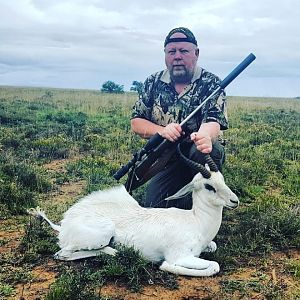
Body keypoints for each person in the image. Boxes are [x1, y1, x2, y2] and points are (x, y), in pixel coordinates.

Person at [131, 27, 228, 209]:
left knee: (208, 150)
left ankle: (208, 205)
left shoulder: (212, 82)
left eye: (184, 51)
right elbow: (136, 122)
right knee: (155, 207)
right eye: (172, 51)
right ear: (165, 55)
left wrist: (205, 136)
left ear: (196, 53)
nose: (177, 56)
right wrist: (162, 131)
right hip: (165, 158)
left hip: (197, 154)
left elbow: (213, 121)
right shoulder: (152, 82)